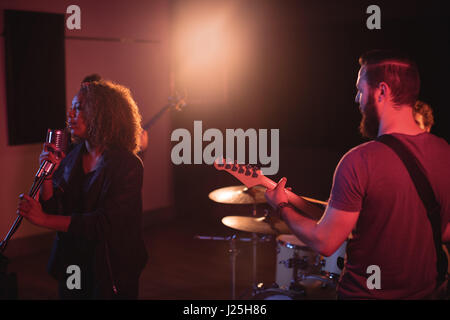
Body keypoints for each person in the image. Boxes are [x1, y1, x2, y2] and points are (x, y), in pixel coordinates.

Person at [265, 50, 450, 299]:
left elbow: (326, 242)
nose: (357, 99)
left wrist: (282, 208)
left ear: (381, 91)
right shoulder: (444, 152)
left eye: (361, 90)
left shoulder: (359, 161)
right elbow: (445, 231)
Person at [17, 80, 148, 299]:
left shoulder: (127, 165)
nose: (70, 113)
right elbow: (56, 208)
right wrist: (48, 177)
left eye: (79, 108)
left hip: (110, 266)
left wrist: (43, 220)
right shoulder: (72, 156)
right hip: (72, 260)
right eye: (72, 107)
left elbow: (104, 224)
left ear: (102, 113)